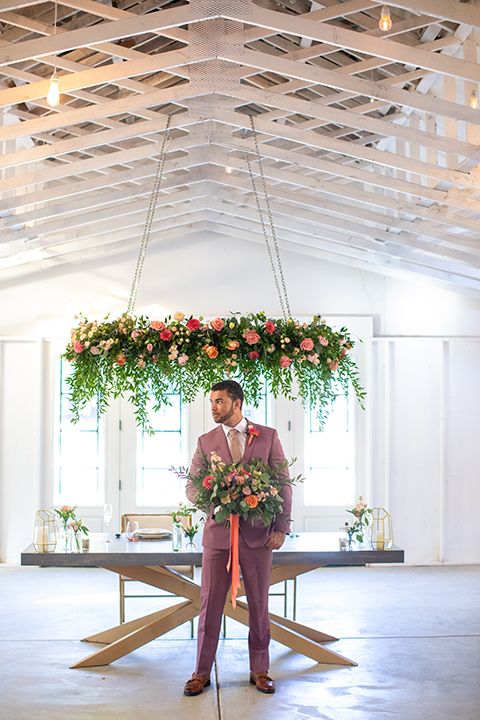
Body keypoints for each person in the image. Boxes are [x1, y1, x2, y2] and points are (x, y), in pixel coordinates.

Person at [183, 379, 292, 697]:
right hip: (218, 537)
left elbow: (283, 482)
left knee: (259, 605)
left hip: (259, 536)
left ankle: (260, 670)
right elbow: (191, 487)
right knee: (209, 605)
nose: (213, 407)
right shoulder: (206, 441)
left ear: (237, 402)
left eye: (219, 401)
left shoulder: (268, 436)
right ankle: (201, 672)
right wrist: (216, 500)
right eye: (212, 402)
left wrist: (281, 527)